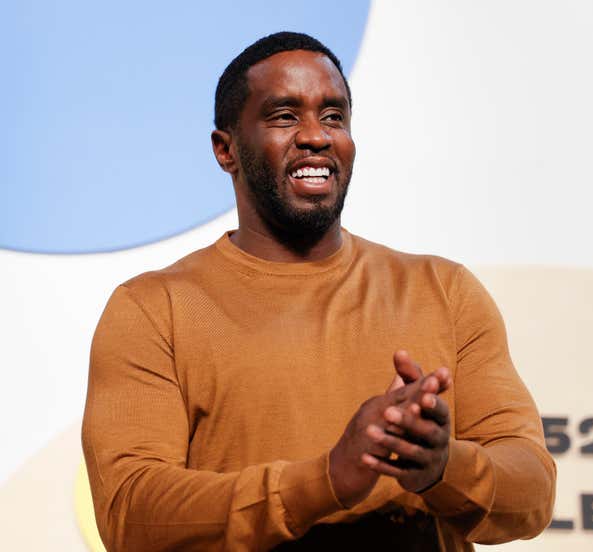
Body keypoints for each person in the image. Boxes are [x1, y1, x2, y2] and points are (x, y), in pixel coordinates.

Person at [82, 32, 556, 551]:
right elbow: (130, 514)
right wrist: (327, 478)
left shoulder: (444, 290)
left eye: (333, 116)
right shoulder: (154, 308)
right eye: (285, 116)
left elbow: (531, 489)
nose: (316, 136)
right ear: (226, 150)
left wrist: (443, 465)